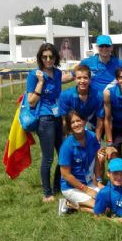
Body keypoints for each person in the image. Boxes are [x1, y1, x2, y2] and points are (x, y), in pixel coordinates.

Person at [26, 43, 73, 202]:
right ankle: (47, 193)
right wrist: (40, 83)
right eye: (44, 57)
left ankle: (57, 186)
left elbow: (69, 79)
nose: (48, 60)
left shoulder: (58, 73)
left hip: (59, 118)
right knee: (48, 158)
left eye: (51, 56)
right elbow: (31, 102)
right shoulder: (34, 75)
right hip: (45, 120)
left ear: (55, 57)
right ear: (40, 58)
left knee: (64, 155)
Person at [58, 110, 105, 215]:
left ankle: (73, 205)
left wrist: (99, 181)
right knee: (101, 208)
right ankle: (68, 203)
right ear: (70, 127)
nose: (76, 124)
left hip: (88, 182)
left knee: (109, 202)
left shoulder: (92, 137)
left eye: (78, 120)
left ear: (84, 121)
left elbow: (97, 158)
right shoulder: (67, 146)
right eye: (72, 122)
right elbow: (65, 175)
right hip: (71, 187)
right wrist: (86, 190)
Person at [59, 64, 102, 132]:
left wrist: (97, 140)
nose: (82, 81)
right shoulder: (65, 95)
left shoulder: (98, 95)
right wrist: (69, 138)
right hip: (73, 125)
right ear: (75, 79)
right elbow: (64, 121)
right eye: (79, 78)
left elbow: (100, 120)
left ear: (90, 80)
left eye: (85, 77)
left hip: (91, 124)